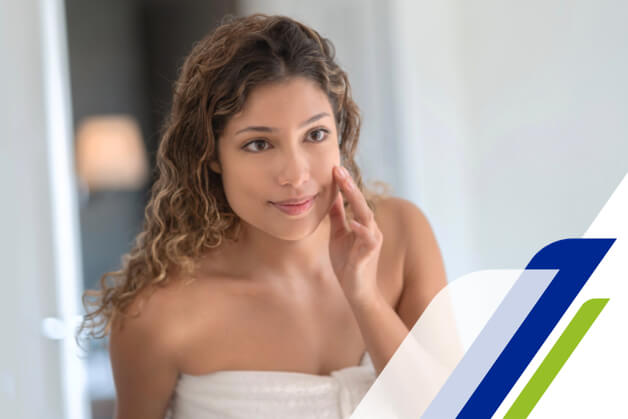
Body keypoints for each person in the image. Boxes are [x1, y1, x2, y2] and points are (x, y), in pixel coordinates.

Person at [78, 13, 448, 419]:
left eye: (315, 134)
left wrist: (364, 298)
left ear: (339, 132)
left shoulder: (402, 234)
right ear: (212, 156)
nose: (295, 175)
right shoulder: (157, 314)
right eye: (258, 144)